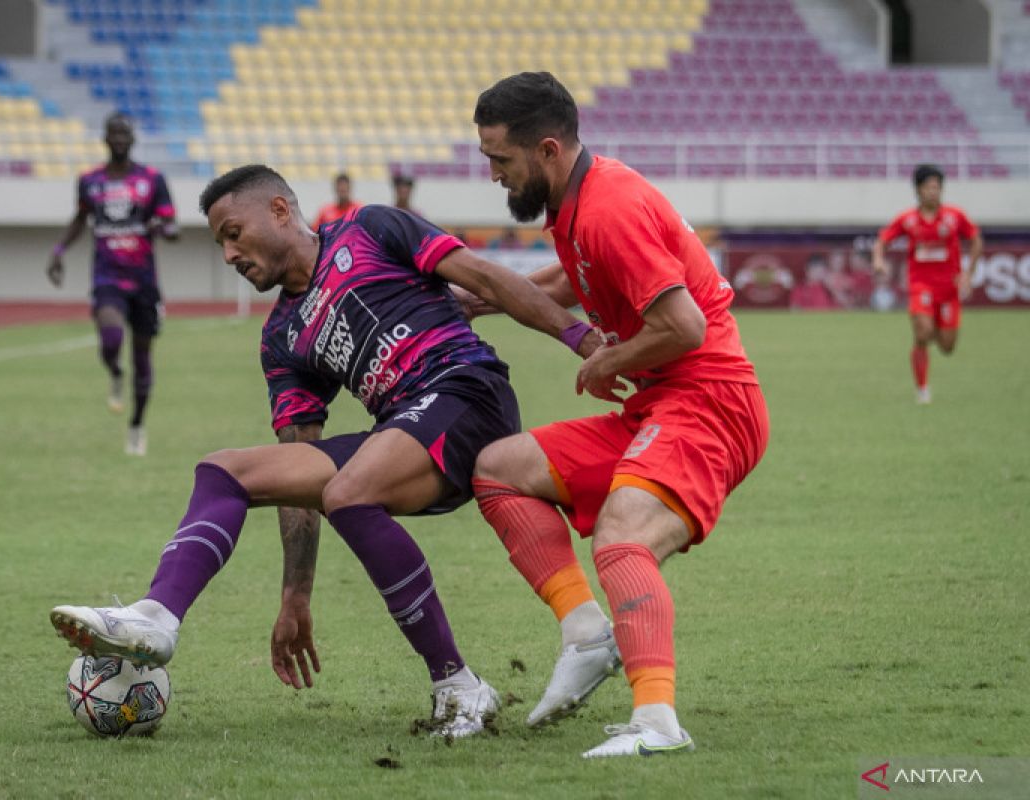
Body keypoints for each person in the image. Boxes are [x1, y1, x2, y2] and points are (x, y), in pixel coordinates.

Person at [48, 164, 597, 738]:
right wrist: (296, 595)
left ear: (280, 211)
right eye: (219, 244)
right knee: (225, 471)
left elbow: (484, 277)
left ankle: (458, 687)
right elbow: (298, 469)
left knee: (349, 491)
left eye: (233, 233)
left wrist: (580, 339)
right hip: (403, 430)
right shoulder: (281, 338)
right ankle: (157, 618)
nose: (229, 255)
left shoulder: (372, 229)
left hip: (470, 394)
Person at [464, 72, 769, 759]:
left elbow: (684, 326)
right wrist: (482, 298)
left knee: (622, 537)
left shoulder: (608, 208)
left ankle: (657, 722)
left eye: (500, 161)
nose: (493, 176)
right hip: (664, 403)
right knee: (500, 469)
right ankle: (586, 634)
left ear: (546, 150)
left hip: (709, 404)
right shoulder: (582, 201)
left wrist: (606, 359)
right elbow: (578, 276)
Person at [47, 113, 179, 455]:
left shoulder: (152, 179)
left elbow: (169, 222)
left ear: (132, 139)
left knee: (143, 357)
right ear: (105, 138)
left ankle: (136, 424)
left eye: (125, 133)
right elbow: (80, 218)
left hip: (145, 281)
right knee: (111, 337)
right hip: (107, 276)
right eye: (113, 133)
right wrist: (59, 250)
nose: (119, 138)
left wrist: (164, 230)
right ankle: (114, 369)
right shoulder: (89, 181)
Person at [872, 164, 983, 405]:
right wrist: (879, 261)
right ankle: (922, 389)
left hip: (948, 289)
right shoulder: (908, 219)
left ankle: (932, 330)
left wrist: (968, 273)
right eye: (928, 187)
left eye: (937, 187)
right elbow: (881, 241)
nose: (933, 192)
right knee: (922, 333)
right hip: (920, 286)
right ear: (918, 190)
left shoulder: (955, 216)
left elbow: (975, 240)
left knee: (947, 346)